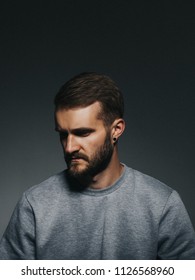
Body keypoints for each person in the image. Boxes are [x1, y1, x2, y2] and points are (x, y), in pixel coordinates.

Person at [0, 72, 195, 260]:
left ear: (116, 130)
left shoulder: (162, 204)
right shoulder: (34, 205)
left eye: (83, 133)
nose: (69, 147)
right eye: (63, 134)